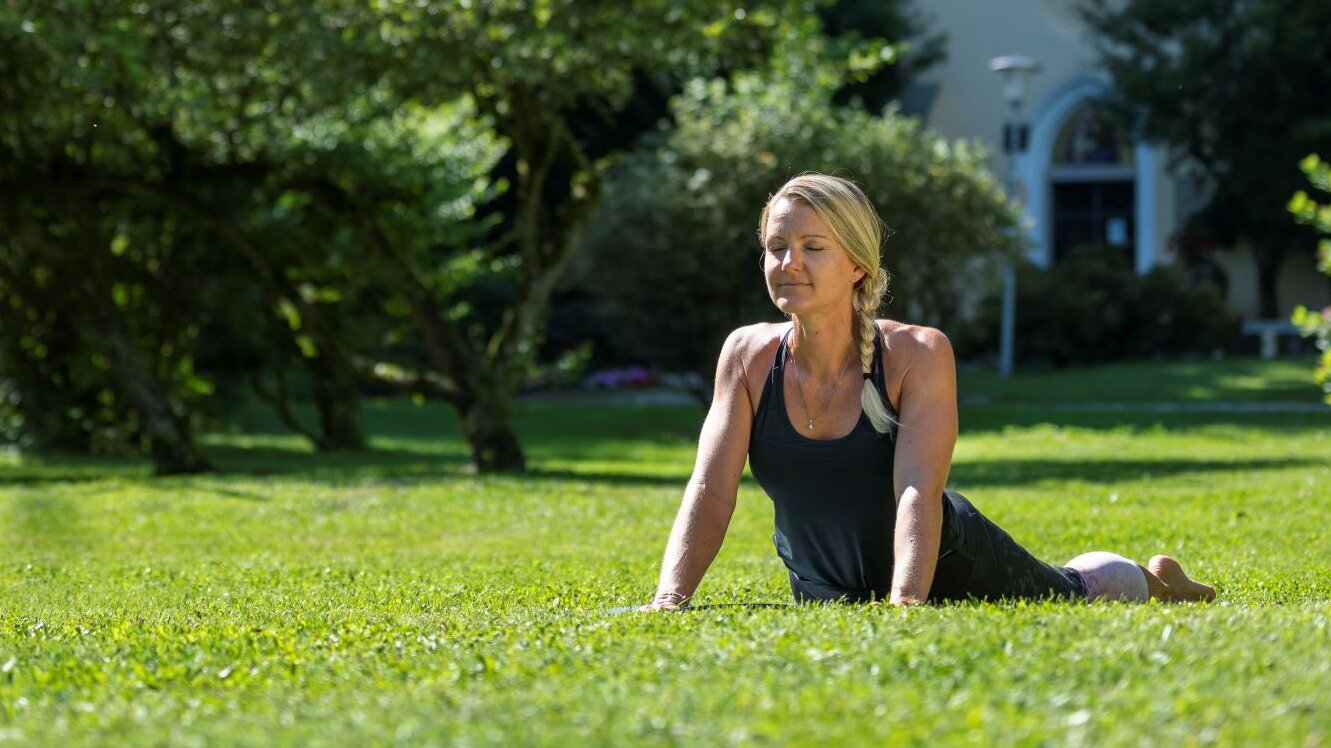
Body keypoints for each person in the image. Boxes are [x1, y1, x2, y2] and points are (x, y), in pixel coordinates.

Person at [642, 173, 1215, 611]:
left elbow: (917, 489)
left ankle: (1162, 584)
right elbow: (711, 488)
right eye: (776, 247)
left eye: (814, 247)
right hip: (825, 585)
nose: (789, 263)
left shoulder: (917, 353)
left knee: (1079, 589)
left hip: (949, 564)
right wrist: (671, 598)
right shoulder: (745, 356)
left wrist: (906, 603)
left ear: (858, 266)